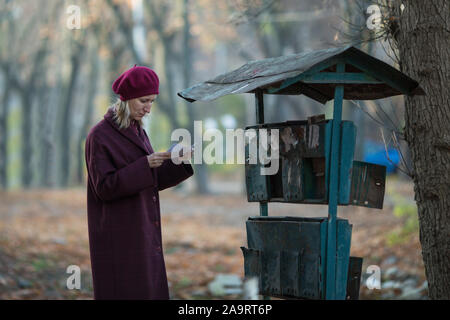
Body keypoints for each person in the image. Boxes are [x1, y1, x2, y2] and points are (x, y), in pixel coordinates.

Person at [84, 65, 194, 299]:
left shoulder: (137, 131)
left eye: (152, 101)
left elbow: (149, 181)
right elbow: (103, 188)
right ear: (126, 98)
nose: (149, 108)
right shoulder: (99, 136)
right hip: (119, 234)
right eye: (144, 100)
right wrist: (145, 164)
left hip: (143, 227)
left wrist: (176, 160)